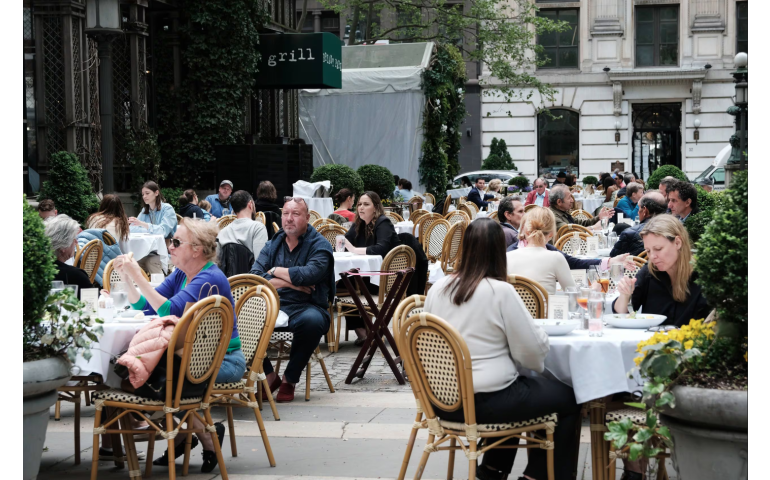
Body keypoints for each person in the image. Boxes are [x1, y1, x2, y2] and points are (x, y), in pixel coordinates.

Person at [425, 218, 581, 480]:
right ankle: (536, 476)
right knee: (568, 398)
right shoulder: (500, 291)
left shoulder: (438, 288)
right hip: (488, 402)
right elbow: (531, 352)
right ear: (500, 251)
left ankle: (492, 471)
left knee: (520, 388)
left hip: (443, 401)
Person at [113, 218, 244, 473]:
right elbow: (148, 307)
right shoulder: (182, 274)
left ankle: (193, 435)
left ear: (196, 249)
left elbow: (169, 310)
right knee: (143, 371)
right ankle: (196, 433)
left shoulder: (209, 278)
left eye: (176, 242)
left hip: (224, 361)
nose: (169, 246)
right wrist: (128, 278)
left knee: (152, 376)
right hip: (190, 358)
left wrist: (138, 274)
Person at [250, 198, 335, 403]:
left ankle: (290, 378)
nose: (289, 219)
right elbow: (255, 277)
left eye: (295, 214)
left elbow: (310, 275)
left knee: (312, 321)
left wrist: (275, 271)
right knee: (243, 320)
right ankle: (270, 376)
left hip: (308, 305)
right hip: (275, 304)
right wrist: (291, 284)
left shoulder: (320, 245)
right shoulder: (273, 243)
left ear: (307, 217)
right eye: (286, 214)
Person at [613, 215, 710, 327]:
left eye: (658, 249)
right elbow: (620, 314)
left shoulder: (704, 278)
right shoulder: (649, 273)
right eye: (648, 251)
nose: (652, 256)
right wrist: (624, 296)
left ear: (678, 243)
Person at [343, 191, 401, 344]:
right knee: (342, 281)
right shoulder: (359, 224)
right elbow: (345, 241)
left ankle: (366, 330)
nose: (361, 208)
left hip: (386, 278)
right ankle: (361, 330)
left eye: (366, 204)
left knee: (346, 282)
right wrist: (341, 244)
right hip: (367, 274)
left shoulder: (383, 222)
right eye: (359, 204)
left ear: (375, 207)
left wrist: (354, 250)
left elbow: (381, 249)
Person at [507, 207, 575, 294]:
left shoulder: (507, 257)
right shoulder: (556, 258)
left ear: (527, 232)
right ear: (551, 234)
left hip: (515, 303)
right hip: (546, 303)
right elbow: (572, 292)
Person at [129, 181, 178, 274]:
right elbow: (132, 229)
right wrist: (147, 228)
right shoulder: (145, 211)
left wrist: (144, 225)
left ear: (156, 193)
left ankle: (161, 283)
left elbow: (163, 231)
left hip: (167, 252)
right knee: (133, 261)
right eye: (143, 194)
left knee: (151, 261)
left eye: (147, 193)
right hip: (148, 251)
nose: (144, 196)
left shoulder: (167, 209)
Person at [44, 214, 94, 296]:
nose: (76, 242)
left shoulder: (37, 271)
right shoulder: (76, 276)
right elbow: (92, 300)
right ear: (63, 246)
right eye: (74, 239)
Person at [610, 192, 667, 257]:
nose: (638, 212)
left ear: (645, 210)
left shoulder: (630, 234)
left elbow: (614, 258)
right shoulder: (673, 228)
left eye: (639, 208)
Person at [217, 190, 268, 260]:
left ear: (234, 210)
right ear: (250, 204)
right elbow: (260, 262)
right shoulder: (258, 228)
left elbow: (216, 262)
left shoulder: (222, 232)